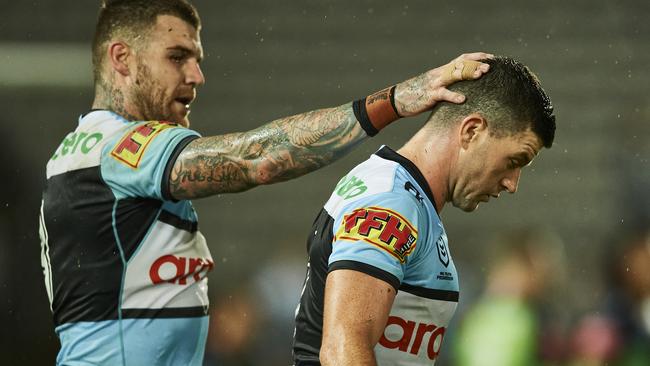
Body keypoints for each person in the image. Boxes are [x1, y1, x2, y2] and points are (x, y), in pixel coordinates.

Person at [37, 0, 492, 365]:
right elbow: (254, 159)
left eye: (197, 58)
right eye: (177, 57)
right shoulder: (117, 148)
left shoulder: (90, 154)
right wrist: (390, 102)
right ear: (122, 58)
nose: (196, 75)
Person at [292, 56, 556, 365]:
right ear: (472, 131)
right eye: (513, 161)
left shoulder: (410, 201)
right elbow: (342, 352)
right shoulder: (390, 203)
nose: (512, 183)